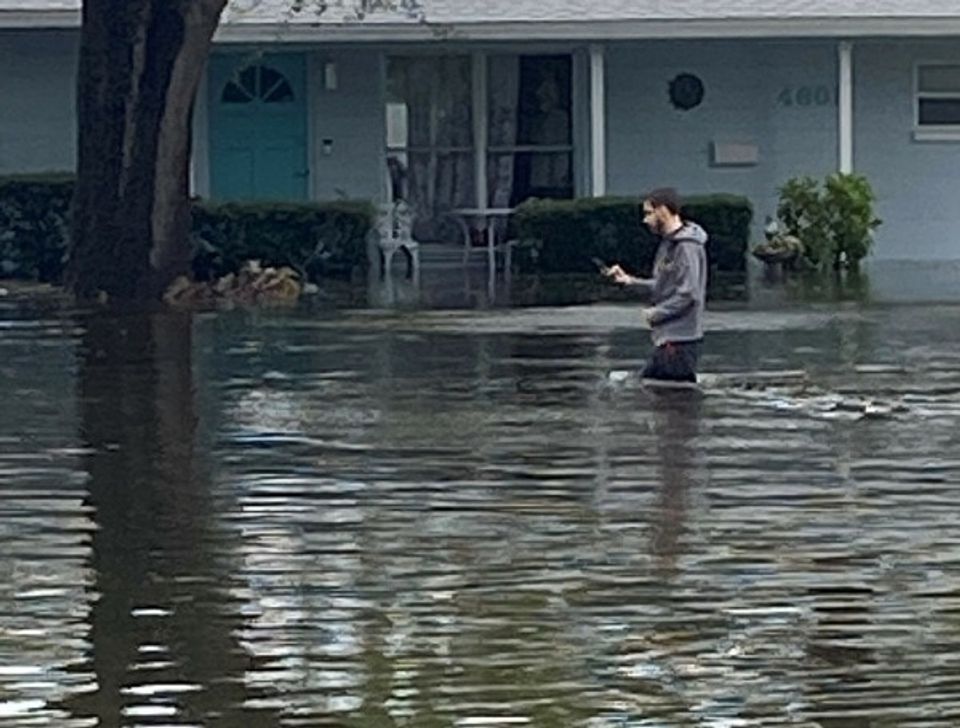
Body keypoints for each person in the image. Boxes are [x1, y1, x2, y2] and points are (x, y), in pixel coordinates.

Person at [603, 188, 708, 383]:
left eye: (648, 213)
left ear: (663, 211)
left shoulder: (686, 247)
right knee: (657, 392)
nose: (645, 220)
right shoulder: (668, 245)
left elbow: (689, 293)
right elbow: (662, 286)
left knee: (665, 397)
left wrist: (656, 313)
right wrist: (629, 281)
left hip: (680, 341)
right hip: (669, 340)